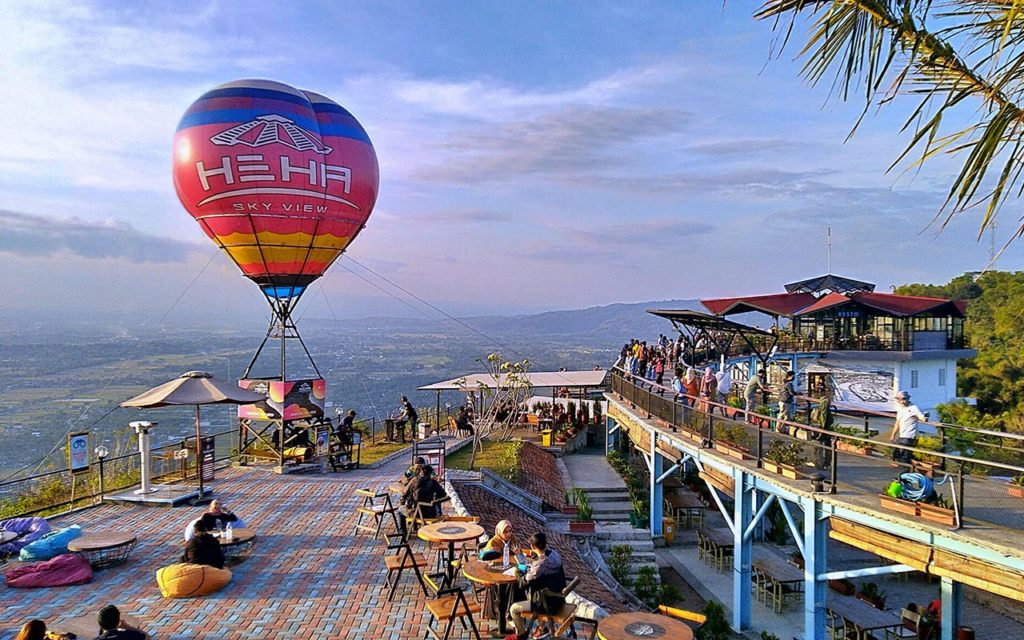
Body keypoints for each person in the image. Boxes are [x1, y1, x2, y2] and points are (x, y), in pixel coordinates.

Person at [506, 532, 567, 640]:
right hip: (558, 598)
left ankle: (521, 635)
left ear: (533, 546)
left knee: (514, 609)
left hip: (548, 604)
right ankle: (542, 628)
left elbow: (524, 583)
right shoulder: (554, 554)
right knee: (532, 594)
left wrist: (517, 572)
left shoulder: (540, 564)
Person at [398, 465, 447, 537]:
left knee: (400, 510)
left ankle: (403, 533)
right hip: (431, 513)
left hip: (415, 512)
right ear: (430, 473)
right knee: (434, 506)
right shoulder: (433, 482)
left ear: (420, 472)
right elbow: (443, 494)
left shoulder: (414, 481)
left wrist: (402, 504)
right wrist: (435, 498)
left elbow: (404, 494)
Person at [890, 390, 924, 465]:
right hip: (902, 434)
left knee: (905, 454)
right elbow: (898, 423)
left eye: (905, 399)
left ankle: (906, 469)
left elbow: (922, 417)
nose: (903, 402)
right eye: (901, 400)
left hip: (910, 435)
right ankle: (900, 465)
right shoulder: (900, 409)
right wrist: (893, 434)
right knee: (897, 451)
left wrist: (926, 418)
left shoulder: (914, 408)